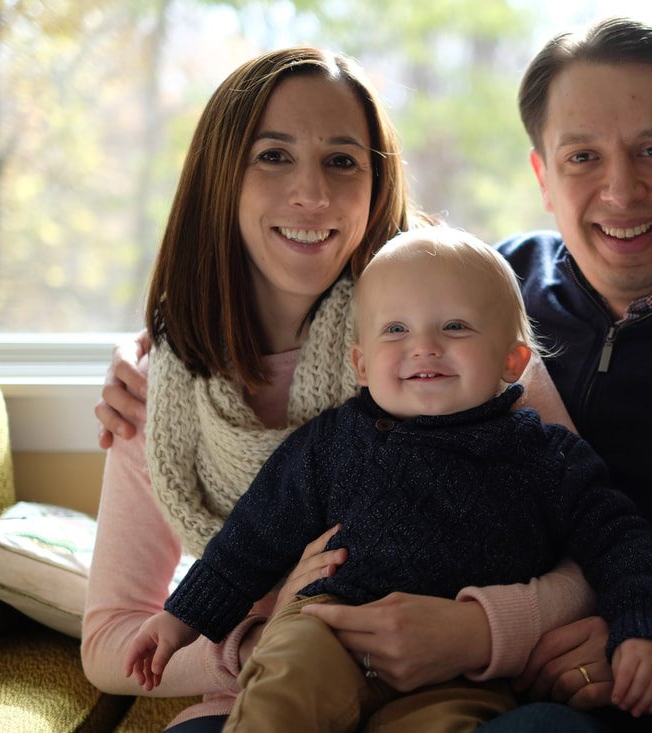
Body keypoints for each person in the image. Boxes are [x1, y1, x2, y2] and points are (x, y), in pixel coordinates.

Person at [96, 18, 652, 733]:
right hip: (553, 707)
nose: (620, 190)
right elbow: (337, 294)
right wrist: (149, 361)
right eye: (582, 157)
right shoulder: (482, 295)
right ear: (541, 173)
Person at [82, 47, 598, 733]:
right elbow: (111, 639)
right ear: (220, 177)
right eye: (273, 156)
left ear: (377, 184)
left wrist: (475, 629)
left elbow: (592, 547)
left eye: (342, 161)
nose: (313, 194)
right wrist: (262, 644)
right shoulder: (159, 389)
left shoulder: (453, 329)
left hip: (455, 686)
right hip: (270, 696)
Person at [124, 227, 652, 732]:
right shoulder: (333, 443)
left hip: (457, 676)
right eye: (396, 329)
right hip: (328, 630)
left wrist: (641, 629)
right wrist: (182, 619)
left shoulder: (545, 456)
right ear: (362, 366)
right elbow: (253, 535)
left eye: (454, 326)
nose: (424, 346)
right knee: (284, 691)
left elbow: (621, 542)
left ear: (513, 361)